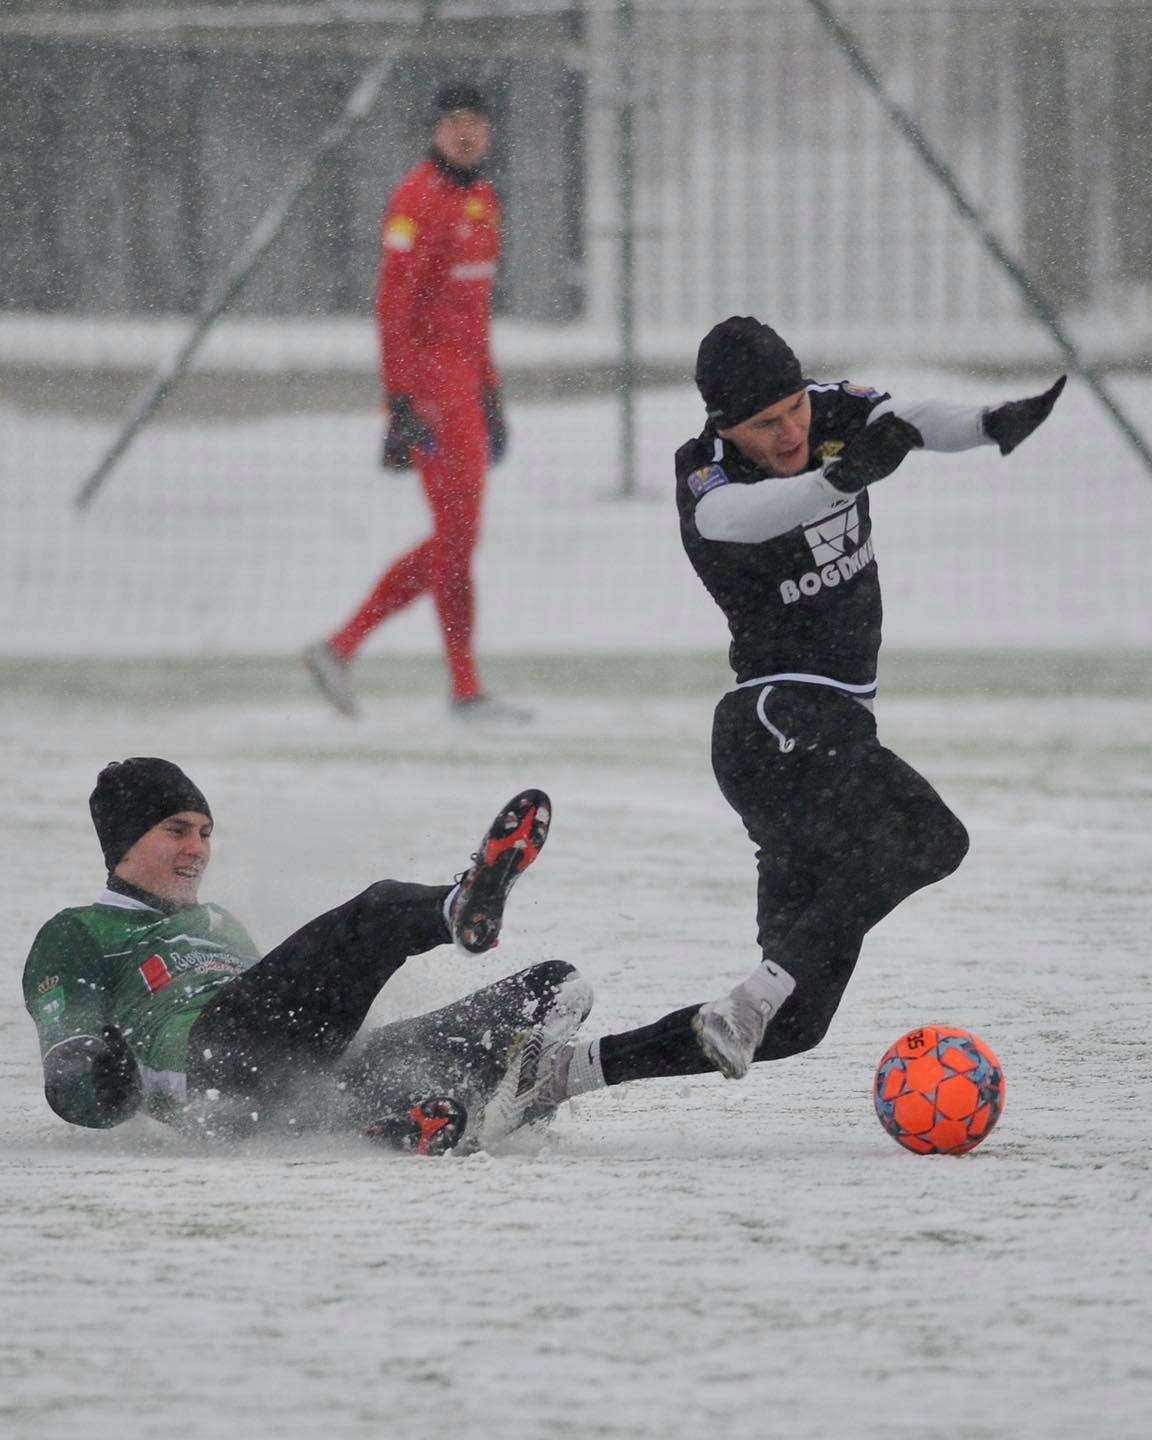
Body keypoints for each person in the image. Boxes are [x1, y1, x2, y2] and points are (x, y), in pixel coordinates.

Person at [538, 315, 1065, 1108]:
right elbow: (736, 520)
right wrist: (837, 480)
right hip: (776, 721)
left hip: (819, 740)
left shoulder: (831, 412)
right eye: (765, 423)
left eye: (794, 410)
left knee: (794, 1022)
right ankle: (754, 995)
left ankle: (561, 1074)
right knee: (932, 838)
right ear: (725, 425)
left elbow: (910, 421)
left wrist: (992, 425)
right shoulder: (705, 473)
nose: (790, 431)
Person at [22, 757, 591, 1155]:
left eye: (205, 832)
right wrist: (104, 1089)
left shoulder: (219, 923)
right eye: (177, 830)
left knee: (543, 988)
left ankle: (394, 1124)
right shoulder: (80, 930)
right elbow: (68, 1068)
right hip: (207, 1070)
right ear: (125, 840)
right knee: (377, 910)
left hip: (280, 1082)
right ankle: (456, 908)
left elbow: (293, 1006)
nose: (197, 848)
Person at [304, 82, 523, 722]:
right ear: (434, 130)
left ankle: (452, 685)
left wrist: (492, 391)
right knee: (457, 539)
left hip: (465, 388)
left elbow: (474, 312)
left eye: (477, 122)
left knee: (457, 540)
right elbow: (392, 307)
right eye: (454, 120)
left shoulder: (483, 199)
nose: (466, 132)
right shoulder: (416, 201)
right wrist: (398, 397)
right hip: (430, 390)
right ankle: (349, 649)